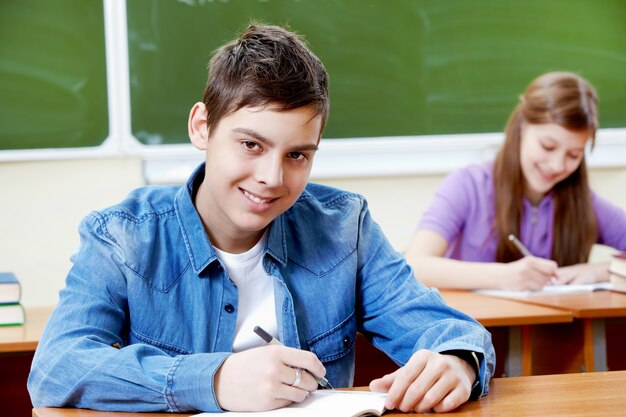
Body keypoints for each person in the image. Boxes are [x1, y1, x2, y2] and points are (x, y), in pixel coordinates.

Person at [28, 23, 495, 414]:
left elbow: (445, 328)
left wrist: (457, 361)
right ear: (202, 127)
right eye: (251, 144)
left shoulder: (344, 226)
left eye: (297, 155)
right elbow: (56, 366)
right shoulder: (123, 236)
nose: (272, 178)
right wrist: (213, 381)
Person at [406, 71, 626, 291]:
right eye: (547, 146)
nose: (557, 165)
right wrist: (504, 277)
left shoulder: (584, 203)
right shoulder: (467, 186)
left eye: (574, 155)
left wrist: (600, 271)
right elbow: (415, 264)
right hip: (471, 324)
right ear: (521, 127)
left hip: (549, 326)